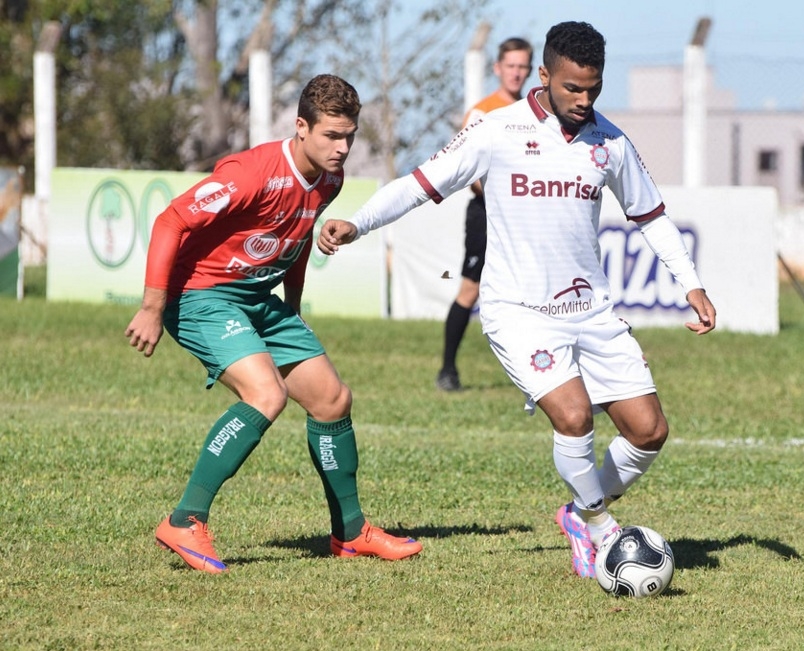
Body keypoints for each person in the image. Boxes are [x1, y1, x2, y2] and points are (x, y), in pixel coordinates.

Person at [318, 21, 715, 579]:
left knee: (649, 431)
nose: (584, 100)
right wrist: (356, 223)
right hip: (519, 312)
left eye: (594, 89)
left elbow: (650, 216)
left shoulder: (611, 143)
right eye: (573, 88)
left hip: (592, 311)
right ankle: (601, 530)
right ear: (545, 75)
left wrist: (690, 283)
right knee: (574, 417)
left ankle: (580, 513)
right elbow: (418, 183)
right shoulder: (495, 131)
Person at [124, 74, 422, 574]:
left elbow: (297, 238)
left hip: (259, 297)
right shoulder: (251, 173)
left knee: (332, 398)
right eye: (331, 135)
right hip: (200, 296)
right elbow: (170, 221)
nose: (343, 147)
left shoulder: (330, 179)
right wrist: (152, 308)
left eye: (349, 136)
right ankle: (184, 519)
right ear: (301, 126)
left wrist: (294, 306)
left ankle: (350, 534)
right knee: (266, 395)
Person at [436, 37, 533, 392]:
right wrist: (495, 197)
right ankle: (447, 369)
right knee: (470, 289)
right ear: (497, 68)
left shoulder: (530, 112)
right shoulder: (482, 111)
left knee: (529, 290)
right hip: (486, 213)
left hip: (521, 216)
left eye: (522, 66)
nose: (516, 73)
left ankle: (535, 370)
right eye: (511, 66)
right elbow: (467, 168)